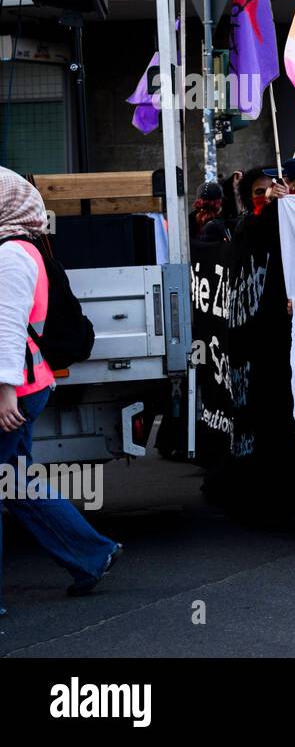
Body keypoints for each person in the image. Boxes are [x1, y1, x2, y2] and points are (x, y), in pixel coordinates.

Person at [0, 168, 121, 612]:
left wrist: (5, 391)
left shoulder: (11, 254)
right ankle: (92, 555)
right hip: (28, 383)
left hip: (17, 387)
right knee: (14, 482)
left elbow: (7, 329)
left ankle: (91, 554)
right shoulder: (22, 248)